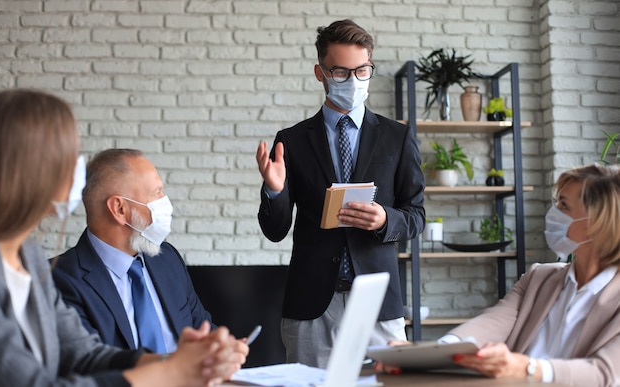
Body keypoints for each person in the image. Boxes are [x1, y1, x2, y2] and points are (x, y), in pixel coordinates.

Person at [0, 88, 248, 386]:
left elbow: (83, 355)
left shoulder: (29, 257)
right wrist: (170, 372)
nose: (78, 168)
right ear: (29, 169)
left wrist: (186, 359)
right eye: (69, 155)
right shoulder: (54, 273)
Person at [255, 19, 425, 368]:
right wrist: (274, 192)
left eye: (362, 71)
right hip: (313, 303)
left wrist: (384, 219)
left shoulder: (397, 137)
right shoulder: (292, 140)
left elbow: (416, 215)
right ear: (320, 72)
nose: (353, 81)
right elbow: (275, 231)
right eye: (341, 72)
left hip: (378, 301)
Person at [381, 164, 620, 386]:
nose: (553, 212)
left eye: (564, 206)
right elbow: (492, 323)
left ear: (597, 223)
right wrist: (427, 356)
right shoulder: (540, 278)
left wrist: (528, 368)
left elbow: (604, 373)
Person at [52, 148, 214, 353]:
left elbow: (203, 327)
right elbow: (90, 367)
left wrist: (220, 348)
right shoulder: (59, 280)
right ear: (120, 209)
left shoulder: (168, 258)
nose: (166, 203)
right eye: (156, 193)